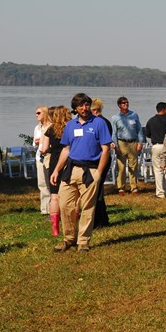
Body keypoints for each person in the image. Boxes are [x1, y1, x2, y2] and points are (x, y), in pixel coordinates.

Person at [50, 93, 112, 252]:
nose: (84, 108)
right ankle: (69, 238)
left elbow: (106, 150)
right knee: (65, 205)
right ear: (75, 108)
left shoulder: (99, 123)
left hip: (90, 169)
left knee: (87, 207)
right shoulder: (71, 125)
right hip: (70, 170)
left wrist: (98, 172)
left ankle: (83, 241)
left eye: (86, 105)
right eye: (81, 105)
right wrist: (56, 170)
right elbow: (66, 149)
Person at [40, 106, 70, 235]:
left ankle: (55, 229)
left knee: (54, 196)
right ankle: (71, 225)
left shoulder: (50, 129)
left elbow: (44, 148)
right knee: (71, 195)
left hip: (54, 163)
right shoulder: (70, 128)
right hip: (69, 162)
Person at [111, 96, 145, 195]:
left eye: (127, 102)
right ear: (119, 105)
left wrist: (140, 142)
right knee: (121, 167)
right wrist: (116, 146)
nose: (126, 104)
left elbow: (139, 129)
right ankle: (121, 187)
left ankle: (133, 187)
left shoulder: (134, 115)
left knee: (133, 166)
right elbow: (114, 133)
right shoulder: (115, 117)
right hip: (122, 143)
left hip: (133, 142)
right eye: (123, 103)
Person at [90, 98, 113, 228]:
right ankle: (101, 219)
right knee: (97, 190)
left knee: (96, 190)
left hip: (100, 159)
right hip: (98, 158)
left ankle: (100, 220)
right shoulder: (103, 121)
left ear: (95, 110)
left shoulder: (102, 122)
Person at [145, 102, 166, 198]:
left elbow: (147, 133)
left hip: (156, 146)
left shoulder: (151, 121)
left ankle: (160, 192)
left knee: (158, 170)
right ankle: (165, 190)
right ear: (164, 109)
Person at [34, 106, 51, 215]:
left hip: (48, 156)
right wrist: (36, 143)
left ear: (45, 113)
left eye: (39, 113)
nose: (36, 115)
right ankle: (44, 209)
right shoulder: (37, 128)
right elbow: (34, 145)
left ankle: (51, 208)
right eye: (36, 113)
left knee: (49, 183)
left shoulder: (50, 127)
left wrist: (43, 142)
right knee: (42, 184)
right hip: (39, 157)